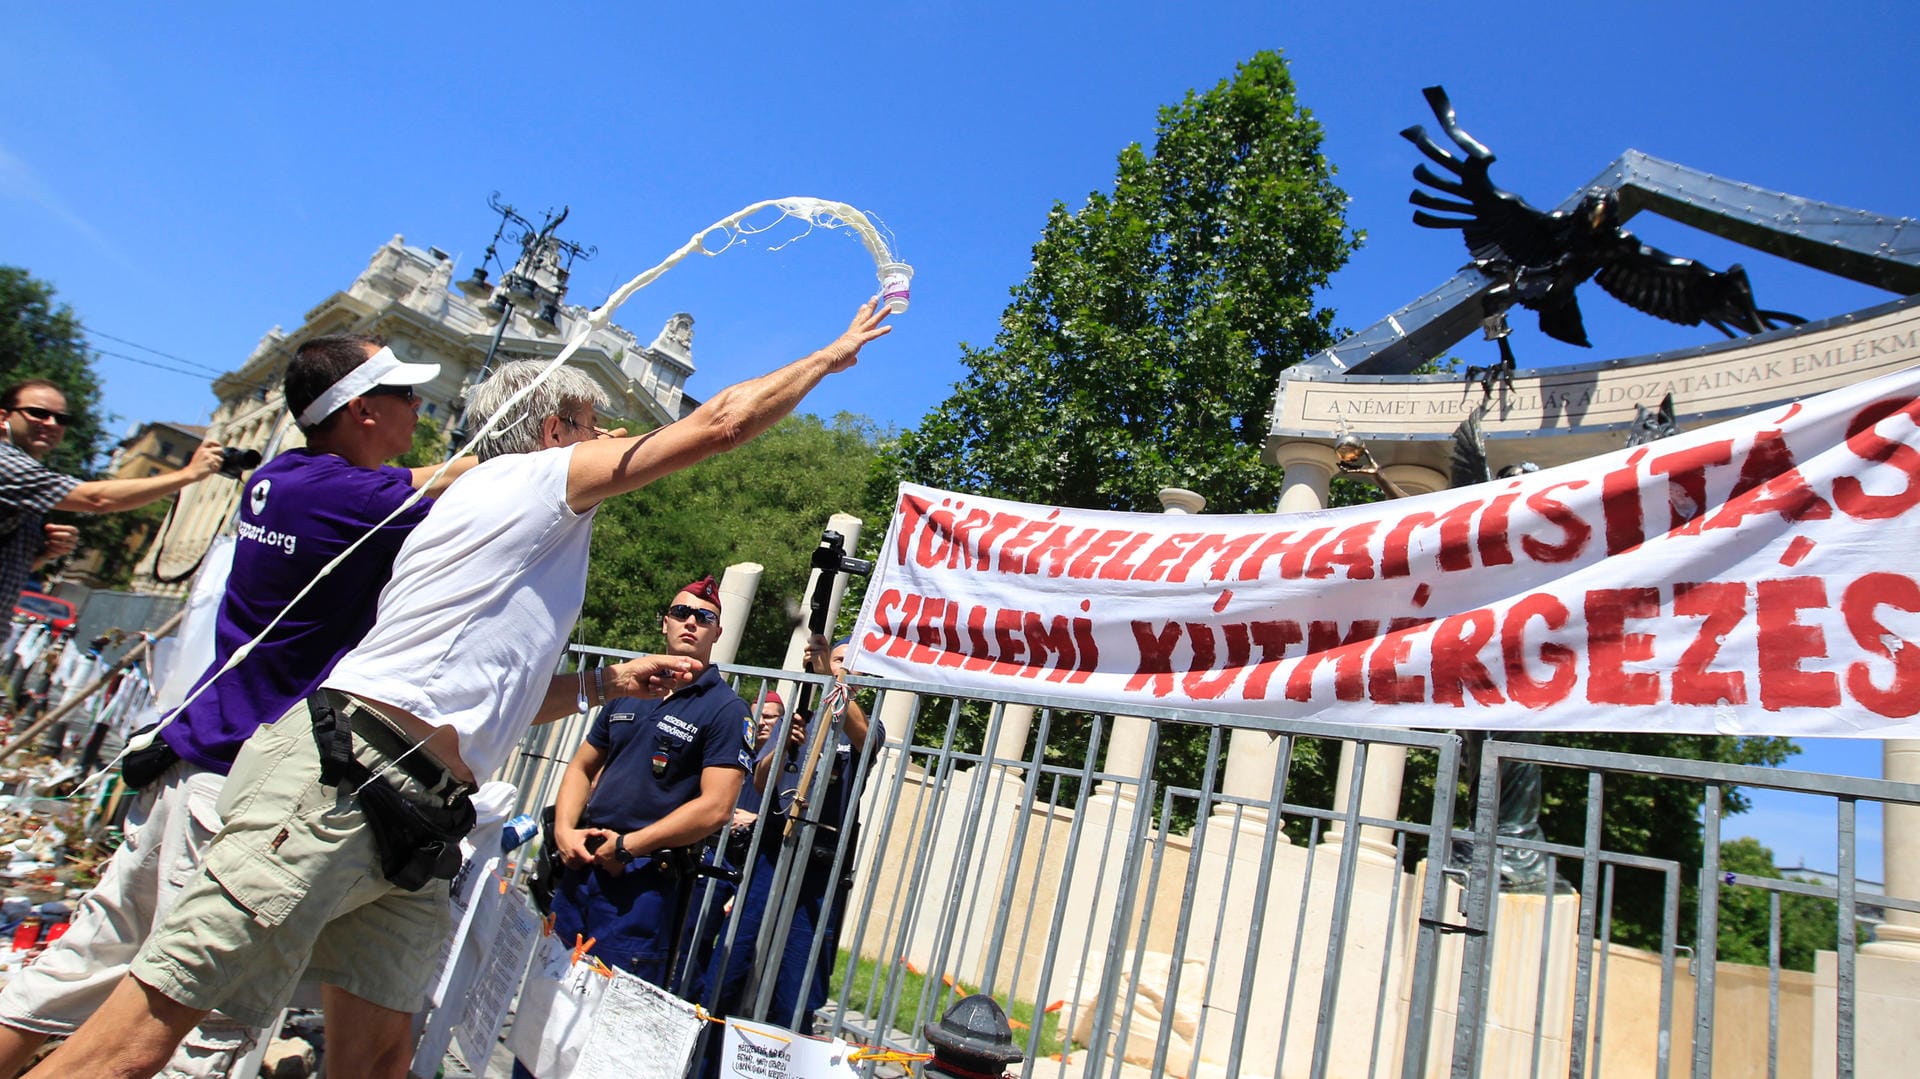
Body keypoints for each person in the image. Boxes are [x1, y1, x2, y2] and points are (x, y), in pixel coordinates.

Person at [28, 298, 891, 1079]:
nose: (607, 438)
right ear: (555, 428)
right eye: (593, 422)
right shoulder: (533, 480)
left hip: (420, 811)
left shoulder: (505, 510)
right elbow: (721, 422)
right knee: (144, 1034)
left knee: (378, 1060)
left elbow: (490, 691)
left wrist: (604, 680)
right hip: (339, 781)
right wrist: (828, 355)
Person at [0, 335, 480, 1078]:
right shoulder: (350, 494)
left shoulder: (283, 475)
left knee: (85, 962)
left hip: (192, 760)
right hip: (235, 791)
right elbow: (462, 480)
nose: (420, 410)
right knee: (196, 1019)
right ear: (360, 412)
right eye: (408, 396)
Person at [542, 577, 752, 1000]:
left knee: (610, 1015)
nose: (691, 622)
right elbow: (582, 766)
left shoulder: (725, 709)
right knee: (544, 1002)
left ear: (717, 633)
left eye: (704, 617)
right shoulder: (629, 688)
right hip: (582, 865)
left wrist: (630, 846)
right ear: (665, 624)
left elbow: (716, 807)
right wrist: (564, 831)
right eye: (681, 613)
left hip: (642, 884)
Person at [704, 634, 877, 1033]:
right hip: (772, 848)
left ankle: (783, 1056)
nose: (844, 669)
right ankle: (706, 1051)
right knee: (732, 959)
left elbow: (864, 738)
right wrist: (783, 747)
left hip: (820, 864)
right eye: (836, 660)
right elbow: (764, 783)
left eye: (854, 664)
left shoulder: (866, 724)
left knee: (799, 980)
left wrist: (826, 679)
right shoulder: (796, 719)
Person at [0, 378, 226, 616]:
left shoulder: (25, 482)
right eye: (38, 413)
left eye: (62, 419)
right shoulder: (7, 463)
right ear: (4, 418)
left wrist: (42, 555)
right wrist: (189, 474)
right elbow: (97, 500)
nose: (52, 423)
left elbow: (12, 570)